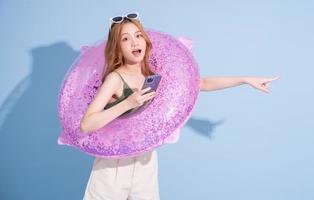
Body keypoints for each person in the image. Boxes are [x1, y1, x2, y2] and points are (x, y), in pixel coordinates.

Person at [79, 12, 279, 200]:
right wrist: (126, 104)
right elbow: (87, 124)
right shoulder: (115, 78)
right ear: (117, 47)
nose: (134, 42)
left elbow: (202, 84)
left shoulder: (152, 75)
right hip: (113, 164)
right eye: (125, 39)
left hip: (145, 160)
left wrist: (245, 79)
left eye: (138, 35)